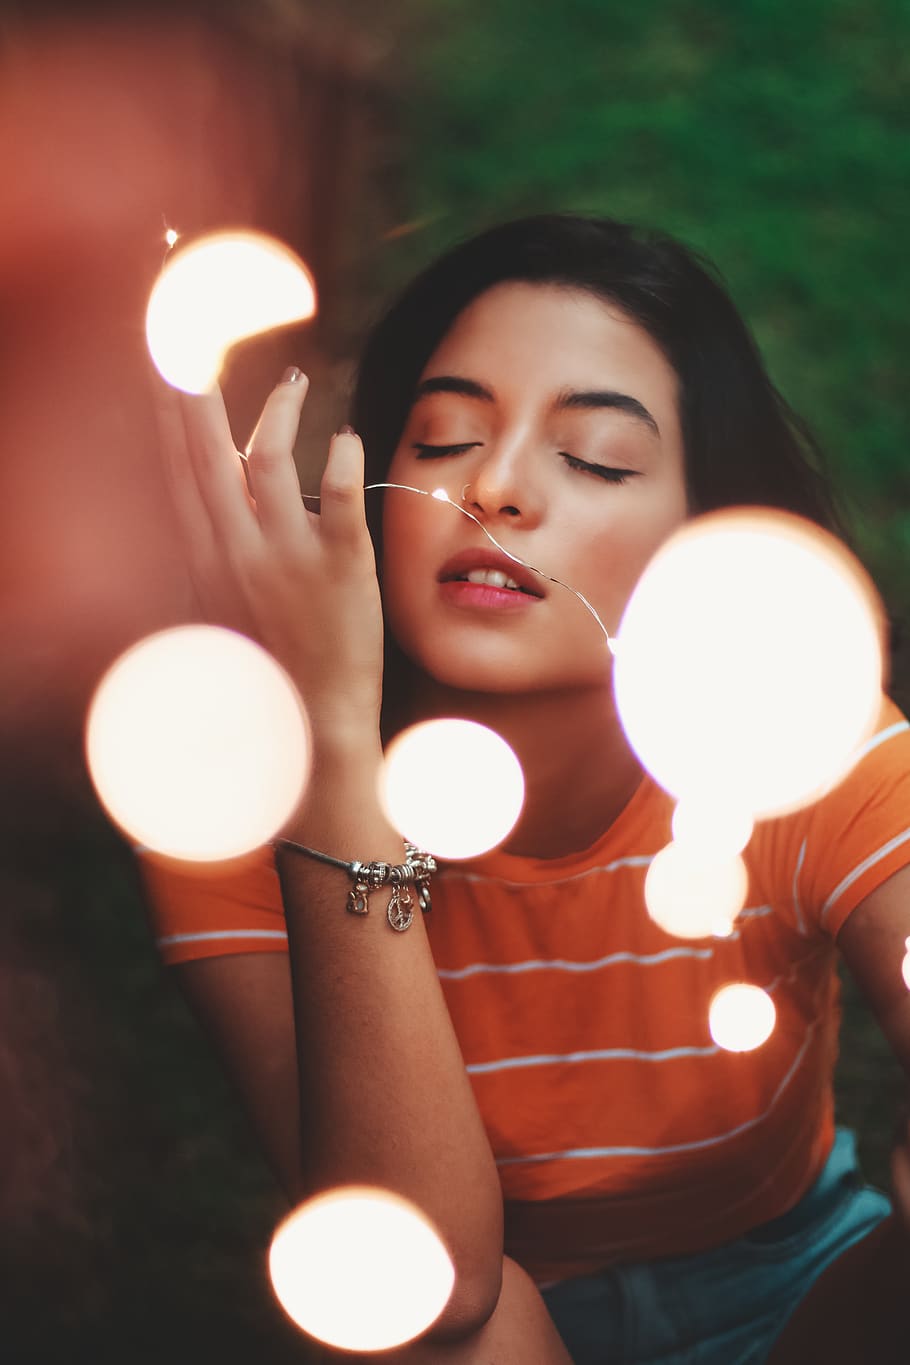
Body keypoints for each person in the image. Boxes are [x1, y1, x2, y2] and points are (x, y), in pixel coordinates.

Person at [139, 215, 910, 1363]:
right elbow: (426, 1283)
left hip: (803, 1290)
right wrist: (335, 760)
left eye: (595, 457)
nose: (493, 489)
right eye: (444, 441)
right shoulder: (234, 786)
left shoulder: (794, 735)